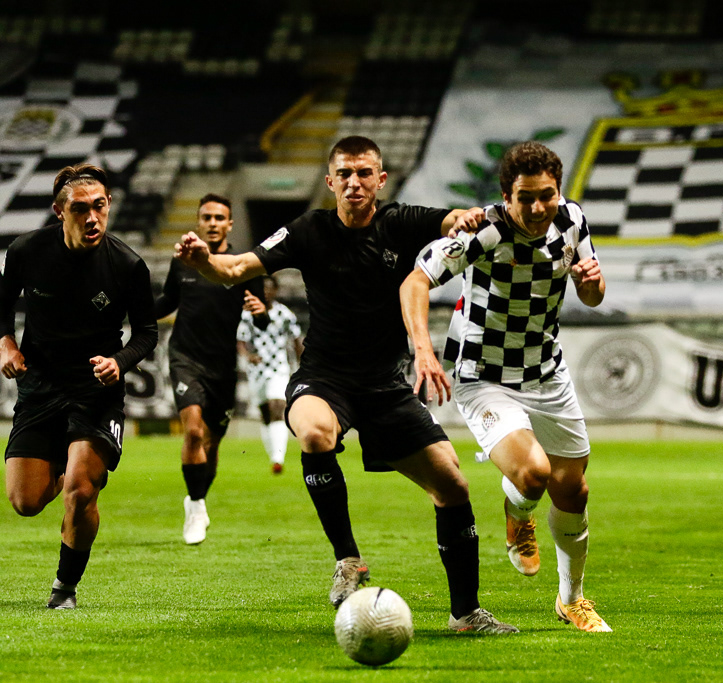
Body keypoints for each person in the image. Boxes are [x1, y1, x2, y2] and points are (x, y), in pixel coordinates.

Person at [173, 136, 517, 633]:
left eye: (364, 173)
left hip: (384, 384)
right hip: (323, 377)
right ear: (330, 181)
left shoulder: (400, 222)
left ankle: (465, 613)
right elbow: (237, 268)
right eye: (345, 174)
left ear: (380, 179)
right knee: (314, 433)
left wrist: (467, 217)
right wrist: (204, 261)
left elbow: (452, 219)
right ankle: (348, 559)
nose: (354, 182)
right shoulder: (307, 230)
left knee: (452, 484)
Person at [400, 141, 612, 632]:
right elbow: (414, 282)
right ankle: (518, 514)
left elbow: (592, 295)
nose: (538, 208)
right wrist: (423, 350)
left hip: (547, 372)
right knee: (534, 473)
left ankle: (572, 600)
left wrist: (591, 283)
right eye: (525, 198)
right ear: (505, 196)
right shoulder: (483, 231)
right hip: (484, 374)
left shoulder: (573, 220)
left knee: (573, 490)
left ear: (559, 191)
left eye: (547, 195)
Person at [0, 163, 158, 609]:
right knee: (25, 502)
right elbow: (2, 306)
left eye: (100, 206)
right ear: (59, 211)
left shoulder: (127, 265)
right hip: (40, 386)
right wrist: (7, 343)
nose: (93, 217)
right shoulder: (27, 250)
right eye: (81, 209)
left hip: (95, 391)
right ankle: (66, 469)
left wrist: (118, 362)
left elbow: (147, 333)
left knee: (82, 490)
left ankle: (64, 588)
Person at [154, 193, 266, 545]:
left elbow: (262, 318)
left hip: (223, 364)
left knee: (212, 443)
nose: (213, 223)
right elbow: (167, 302)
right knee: (192, 431)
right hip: (185, 356)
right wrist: (133, 311)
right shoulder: (183, 261)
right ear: (199, 222)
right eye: (207, 217)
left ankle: (198, 499)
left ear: (230, 224)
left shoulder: (244, 264)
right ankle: (196, 505)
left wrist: (261, 311)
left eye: (220, 218)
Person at [236, 275, 303, 474]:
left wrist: (303, 364)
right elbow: (241, 341)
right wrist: (248, 356)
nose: (265, 291)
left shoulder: (284, 313)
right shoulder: (247, 314)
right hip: (257, 370)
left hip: (278, 367)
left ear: (275, 291)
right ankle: (273, 453)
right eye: (262, 288)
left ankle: (278, 459)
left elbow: (296, 339)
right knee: (266, 413)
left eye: (269, 288)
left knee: (277, 406)